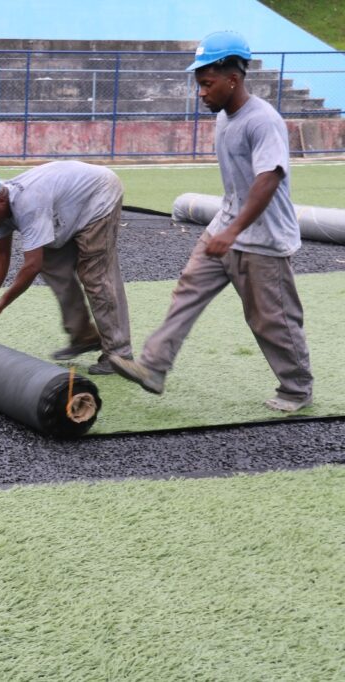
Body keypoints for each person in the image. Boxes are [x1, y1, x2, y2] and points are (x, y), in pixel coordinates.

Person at [110, 30, 313, 412]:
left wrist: (235, 230)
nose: (200, 92)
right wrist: (227, 226)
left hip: (262, 240)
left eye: (206, 84)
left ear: (232, 78)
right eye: (199, 84)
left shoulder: (263, 121)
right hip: (224, 227)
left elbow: (268, 178)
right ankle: (153, 366)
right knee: (188, 290)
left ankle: (297, 388)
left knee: (271, 319)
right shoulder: (224, 116)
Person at [0, 161, 133, 375]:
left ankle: (119, 353)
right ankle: (84, 335)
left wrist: (1, 304)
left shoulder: (28, 204)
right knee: (52, 264)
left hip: (99, 195)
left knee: (95, 274)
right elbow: (1, 254)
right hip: (67, 204)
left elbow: (32, 266)